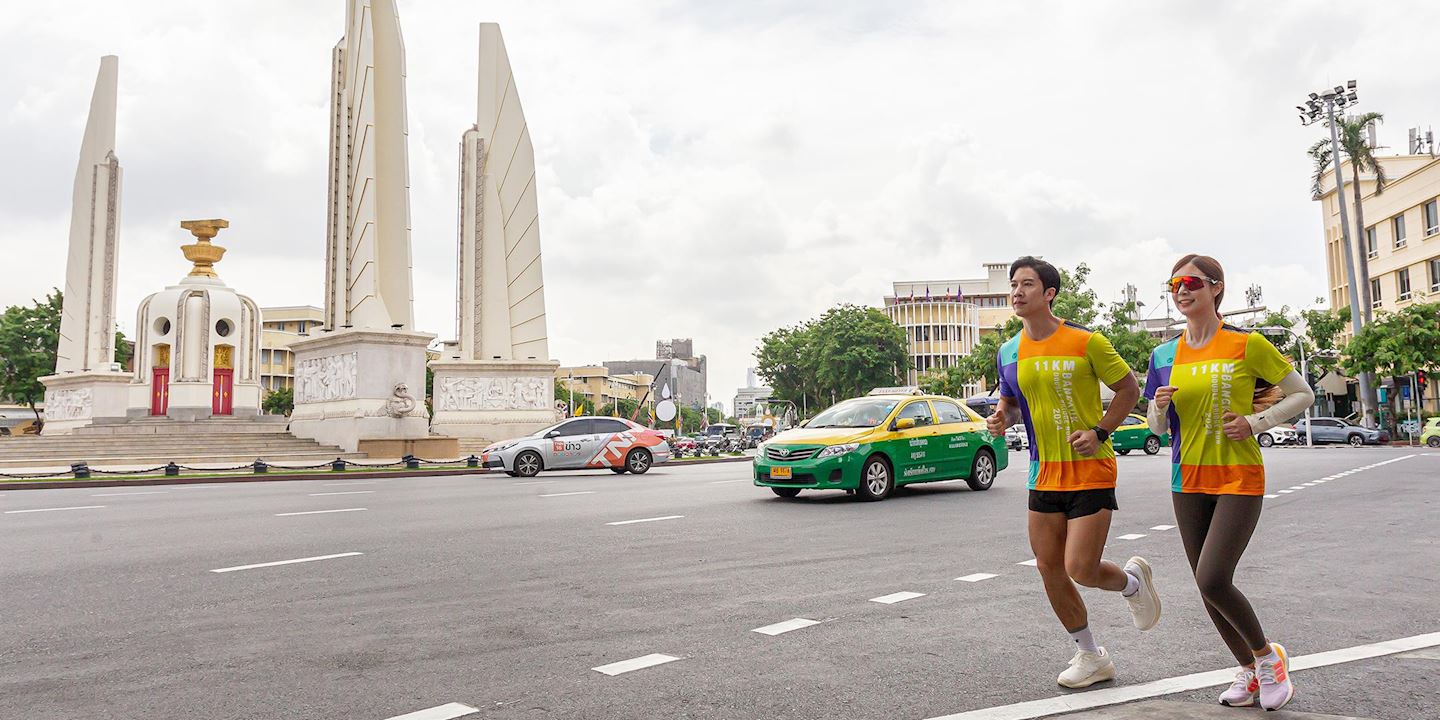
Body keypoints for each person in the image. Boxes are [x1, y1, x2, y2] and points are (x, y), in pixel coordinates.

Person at [1145, 254, 1315, 711]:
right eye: (1174, 284)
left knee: (1213, 576)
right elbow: (1157, 429)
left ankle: (1268, 659)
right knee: (1206, 586)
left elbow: (1304, 394)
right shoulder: (1163, 354)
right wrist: (1159, 406)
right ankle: (1247, 670)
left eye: (1191, 282)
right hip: (1188, 479)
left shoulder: (1247, 344)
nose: (1182, 290)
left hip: (1239, 475)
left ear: (1215, 288)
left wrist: (1257, 422)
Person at [987, 256, 1161, 689]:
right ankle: (1090, 655)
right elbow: (1011, 403)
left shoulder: (1087, 341)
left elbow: (1129, 388)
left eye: (1027, 284)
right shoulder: (1008, 351)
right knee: (1049, 567)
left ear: (1049, 293)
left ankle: (1132, 584)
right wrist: (1000, 418)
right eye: (1013, 284)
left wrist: (1101, 431)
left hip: (1091, 470)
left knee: (1081, 567)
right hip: (1042, 474)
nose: (1017, 291)